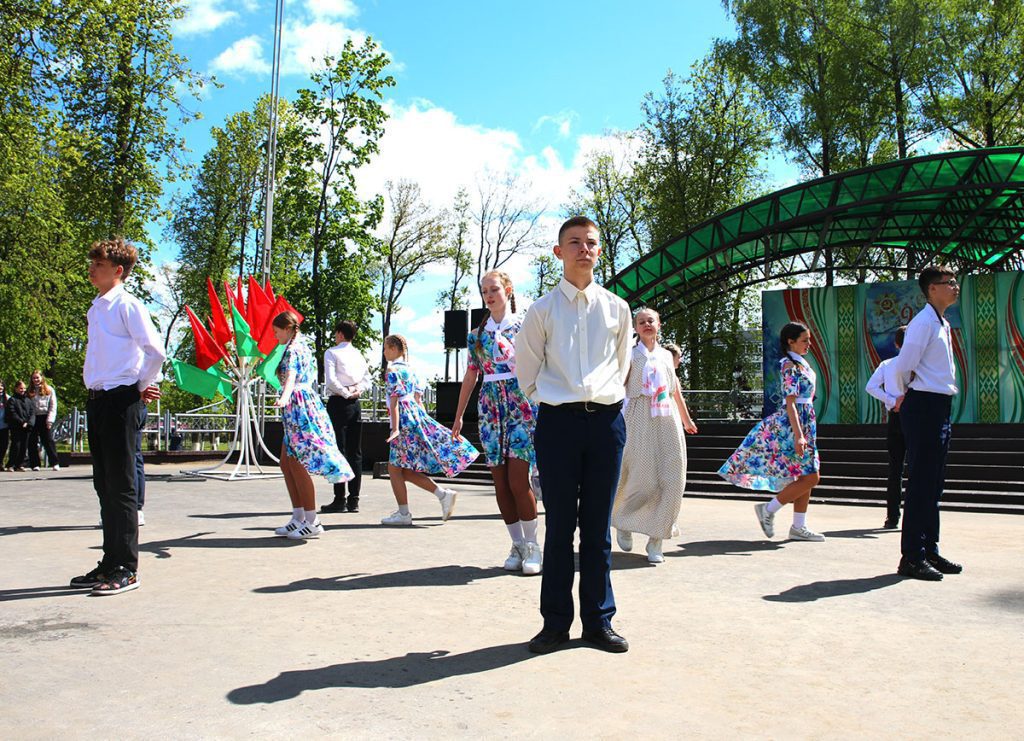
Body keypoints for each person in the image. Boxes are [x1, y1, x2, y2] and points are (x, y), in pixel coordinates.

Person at [516, 215, 632, 655]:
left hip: (605, 423)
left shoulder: (617, 308)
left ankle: (599, 622)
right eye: (574, 242)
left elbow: (621, 366)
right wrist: (555, 400)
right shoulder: (542, 310)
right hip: (558, 424)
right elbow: (527, 370)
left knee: (598, 527)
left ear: (599, 251)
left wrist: (602, 400)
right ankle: (554, 624)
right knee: (561, 526)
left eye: (591, 243)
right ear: (558, 252)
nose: (584, 249)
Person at [70, 238, 165, 595]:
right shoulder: (97, 308)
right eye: (92, 262)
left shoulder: (127, 304)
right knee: (104, 484)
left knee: (122, 486)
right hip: (98, 400)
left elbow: (155, 350)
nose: (92, 268)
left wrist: (141, 385)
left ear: (118, 271)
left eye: (99, 263)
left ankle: (127, 567)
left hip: (121, 398)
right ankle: (109, 563)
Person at [452, 271, 542, 575]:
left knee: (519, 480)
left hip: (521, 404)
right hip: (491, 407)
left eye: (494, 290)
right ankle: (516, 545)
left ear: (508, 290)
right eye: (484, 291)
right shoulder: (476, 334)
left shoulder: (525, 325)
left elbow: (543, 363)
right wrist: (459, 414)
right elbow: (471, 374)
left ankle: (533, 546)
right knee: (500, 483)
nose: (489, 295)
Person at [718, 322, 826, 543]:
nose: (809, 344)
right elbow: (790, 403)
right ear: (790, 341)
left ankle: (799, 525)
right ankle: (769, 509)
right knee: (811, 477)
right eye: (804, 340)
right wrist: (799, 434)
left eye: (808, 339)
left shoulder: (800, 363)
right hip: (793, 425)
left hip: (804, 421)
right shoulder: (789, 365)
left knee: (806, 475)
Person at [890, 266, 962, 581]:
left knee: (934, 483)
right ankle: (911, 557)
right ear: (932, 289)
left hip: (938, 406)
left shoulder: (940, 322)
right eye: (950, 283)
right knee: (921, 483)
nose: (955, 286)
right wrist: (905, 392)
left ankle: (928, 549)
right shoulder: (922, 323)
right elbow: (903, 365)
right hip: (924, 406)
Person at [612, 308, 698, 564]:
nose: (647, 324)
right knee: (637, 475)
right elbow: (619, 385)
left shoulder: (665, 356)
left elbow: (675, 389)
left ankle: (657, 538)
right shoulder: (629, 354)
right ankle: (623, 521)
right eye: (641, 322)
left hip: (666, 419)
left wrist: (686, 418)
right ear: (636, 328)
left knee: (672, 476)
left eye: (651, 320)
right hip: (638, 416)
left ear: (659, 324)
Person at [271, 311, 354, 540]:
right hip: (297, 407)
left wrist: (285, 396)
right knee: (286, 462)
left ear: (287, 328)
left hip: (300, 408)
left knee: (296, 463)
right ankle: (298, 517)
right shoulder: (296, 345)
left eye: (276, 330)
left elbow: (291, 377)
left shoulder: (294, 349)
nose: (274, 334)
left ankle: (312, 520)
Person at [381, 334, 479, 525]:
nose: (384, 352)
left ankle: (404, 514)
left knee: (394, 468)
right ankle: (442, 495)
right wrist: (424, 422)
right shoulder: (411, 370)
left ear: (393, 348)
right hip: (414, 417)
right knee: (403, 470)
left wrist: (394, 428)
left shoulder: (392, 369)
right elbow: (418, 399)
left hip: (403, 420)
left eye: (386, 348)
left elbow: (394, 401)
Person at [321, 319, 371, 514]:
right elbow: (367, 378)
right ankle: (354, 499)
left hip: (338, 402)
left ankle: (339, 498)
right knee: (355, 452)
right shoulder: (358, 354)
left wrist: (344, 392)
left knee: (338, 450)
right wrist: (356, 390)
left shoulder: (331, 352)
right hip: (355, 404)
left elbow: (331, 381)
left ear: (340, 334)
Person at [864, 325, 909, 530]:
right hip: (915, 418)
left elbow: (871, 387)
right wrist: (900, 399)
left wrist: (893, 400)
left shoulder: (888, 364)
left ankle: (892, 517)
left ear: (896, 344)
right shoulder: (920, 365)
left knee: (896, 469)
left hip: (896, 416)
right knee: (915, 468)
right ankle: (911, 516)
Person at [27, 370, 60, 471]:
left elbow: (53, 406)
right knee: (32, 441)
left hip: (45, 417)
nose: (36, 380)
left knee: (48, 441)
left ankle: (54, 463)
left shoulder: (49, 389)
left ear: (42, 378)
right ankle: (35, 464)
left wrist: (50, 420)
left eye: (37, 377)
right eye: (34, 378)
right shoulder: (29, 390)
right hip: (33, 417)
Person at [5, 380, 33, 471]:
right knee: (16, 446)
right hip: (16, 427)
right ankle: (11, 464)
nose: (23, 390)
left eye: (24, 388)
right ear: (16, 388)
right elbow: (12, 413)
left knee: (24, 446)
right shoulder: (12, 400)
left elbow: (32, 413)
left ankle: (20, 464)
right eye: (21, 388)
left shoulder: (28, 400)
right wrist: (21, 422)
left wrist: (29, 423)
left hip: (27, 427)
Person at [0, 381, 10, 471]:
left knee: (4, 445)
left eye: (2, 387)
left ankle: (1, 462)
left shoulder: (7, 398)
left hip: (4, 426)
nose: (0, 389)